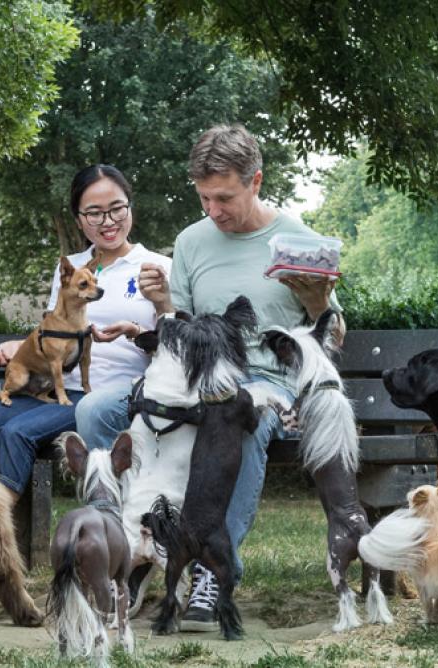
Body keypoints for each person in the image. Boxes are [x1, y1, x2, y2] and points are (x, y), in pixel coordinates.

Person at [75, 123, 344, 630]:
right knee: (95, 411)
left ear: (256, 181)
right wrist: (163, 304)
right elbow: (180, 326)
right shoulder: (192, 242)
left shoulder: (299, 242)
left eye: (224, 198)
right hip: (192, 377)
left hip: (265, 382)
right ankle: (126, 548)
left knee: (240, 425)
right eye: (204, 198)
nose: (213, 211)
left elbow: (332, 337)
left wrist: (316, 299)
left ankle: (209, 571)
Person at [0, 164, 172, 599]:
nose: (107, 221)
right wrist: (20, 345)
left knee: (17, 432)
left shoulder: (155, 267)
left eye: (116, 209)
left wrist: (158, 311)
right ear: (79, 219)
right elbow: (56, 330)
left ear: (131, 208)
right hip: (51, 388)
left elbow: (176, 339)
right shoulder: (71, 267)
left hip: (108, 395)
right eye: (94, 213)